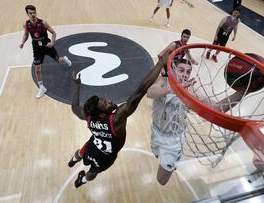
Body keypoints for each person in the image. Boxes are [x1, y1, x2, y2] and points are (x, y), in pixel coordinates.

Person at [67, 50, 170, 188]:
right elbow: (141, 90)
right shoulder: (116, 120)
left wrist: (77, 86)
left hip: (93, 146)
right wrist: (160, 63)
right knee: (93, 172)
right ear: (102, 114)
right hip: (106, 157)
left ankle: (73, 160)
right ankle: (82, 180)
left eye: (105, 100)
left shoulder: (89, 117)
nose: (109, 101)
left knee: (81, 152)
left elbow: (74, 107)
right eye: (106, 104)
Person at [146, 59, 247, 185]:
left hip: (173, 140)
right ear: (172, 71)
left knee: (161, 180)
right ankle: (167, 159)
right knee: (156, 154)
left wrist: (243, 92)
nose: (185, 74)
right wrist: (173, 90)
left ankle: (172, 159)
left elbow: (217, 108)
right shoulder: (163, 81)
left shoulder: (191, 91)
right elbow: (150, 93)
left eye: (188, 72)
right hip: (155, 130)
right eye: (181, 70)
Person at [19, 5, 72, 99]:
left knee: (58, 60)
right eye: (30, 13)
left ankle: (65, 59)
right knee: (37, 69)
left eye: (34, 12)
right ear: (27, 14)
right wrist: (22, 42)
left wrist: (52, 42)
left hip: (47, 46)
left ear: (36, 12)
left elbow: (54, 33)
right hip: (37, 48)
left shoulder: (43, 23)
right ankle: (42, 87)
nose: (32, 15)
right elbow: (26, 34)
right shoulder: (26, 24)